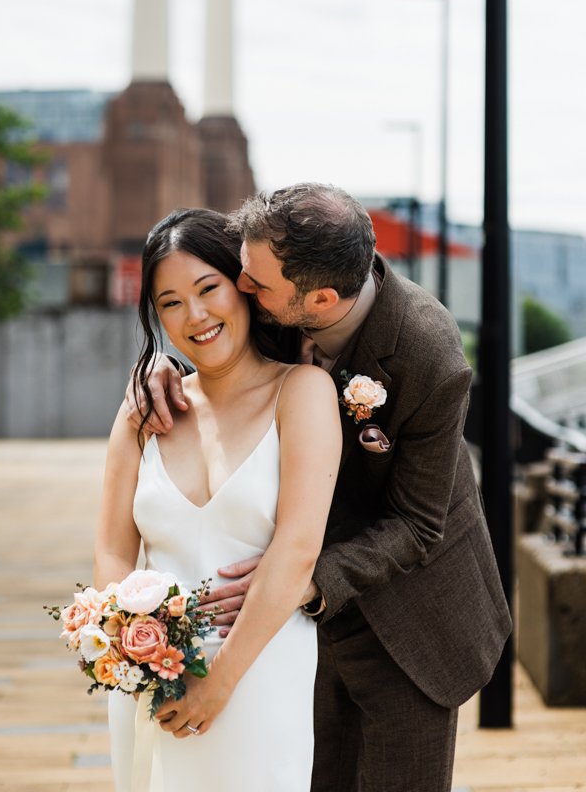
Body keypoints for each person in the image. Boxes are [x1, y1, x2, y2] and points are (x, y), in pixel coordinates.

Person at [129, 183, 513, 792]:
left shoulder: (427, 352)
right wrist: (157, 366)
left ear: (321, 299)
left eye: (255, 285)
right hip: (290, 632)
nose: (241, 288)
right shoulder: (276, 282)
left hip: (407, 619)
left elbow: (417, 524)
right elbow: (208, 328)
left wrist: (304, 577)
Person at [95, 207, 341, 792]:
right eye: (171, 302)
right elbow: (111, 549)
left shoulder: (301, 392)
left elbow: (299, 548)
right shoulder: (143, 410)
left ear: (245, 288)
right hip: (153, 682)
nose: (195, 315)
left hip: (261, 668)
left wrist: (220, 681)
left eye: (209, 289)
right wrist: (130, 649)